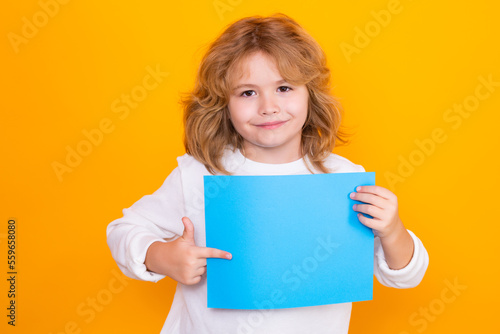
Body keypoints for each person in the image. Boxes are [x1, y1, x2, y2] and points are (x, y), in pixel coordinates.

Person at [106, 13, 429, 334]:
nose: (268, 106)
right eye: (248, 93)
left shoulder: (342, 179)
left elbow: (406, 275)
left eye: (284, 88)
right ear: (224, 104)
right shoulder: (199, 174)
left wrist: (392, 230)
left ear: (310, 94)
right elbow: (123, 230)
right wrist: (160, 256)